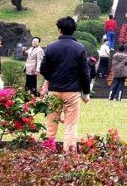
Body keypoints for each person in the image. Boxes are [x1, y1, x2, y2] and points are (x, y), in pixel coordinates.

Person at [40, 16, 90, 152]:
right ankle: (69, 153)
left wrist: (53, 78)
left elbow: (43, 69)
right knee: (70, 125)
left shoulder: (51, 47)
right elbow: (85, 73)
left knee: (51, 122)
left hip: (54, 90)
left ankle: (48, 151)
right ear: (73, 30)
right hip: (72, 91)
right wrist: (85, 92)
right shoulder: (79, 48)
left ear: (59, 30)